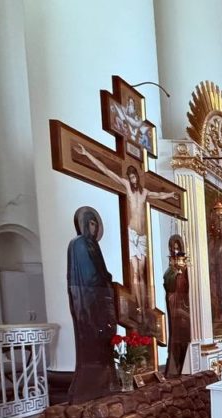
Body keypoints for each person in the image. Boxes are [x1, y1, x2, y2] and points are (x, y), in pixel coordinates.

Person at [74, 144, 178, 334]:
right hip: (131, 234)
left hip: (142, 236)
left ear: (137, 177)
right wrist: (87, 153)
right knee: (135, 273)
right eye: (130, 177)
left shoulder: (144, 193)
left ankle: (143, 307)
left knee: (142, 274)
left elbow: (159, 194)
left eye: (134, 177)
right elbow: (107, 171)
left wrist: (171, 194)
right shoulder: (127, 188)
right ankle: (138, 307)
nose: (132, 179)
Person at [66, 206, 117, 403]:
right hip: (87, 302)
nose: (94, 228)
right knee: (91, 344)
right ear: (85, 224)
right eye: (92, 223)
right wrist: (103, 279)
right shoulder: (79, 244)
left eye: (96, 224)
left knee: (104, 343)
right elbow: (89, 276)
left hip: (99, 299)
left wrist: (106, 279)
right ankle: (90, 388)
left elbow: (101, 273)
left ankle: (105, 384)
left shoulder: (93, 245)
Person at [163, 234, 191, 377]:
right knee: (175, 337)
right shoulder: (170, 270)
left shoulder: (187, 269)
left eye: (178, 248)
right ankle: (173, 370)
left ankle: (182, 367)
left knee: (185, 336)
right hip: (174, 305)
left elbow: (188, 288)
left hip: (185, 305)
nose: (176, 251)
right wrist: (175, 271)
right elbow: (168, 285)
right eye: (173, 249)